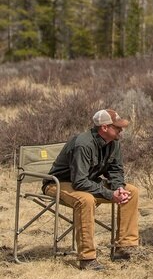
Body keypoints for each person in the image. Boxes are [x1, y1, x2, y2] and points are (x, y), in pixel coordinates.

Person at [43, 109, 140, 270]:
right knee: (85, 200)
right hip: (59, 183)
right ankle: (87, 258)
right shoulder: (83, 144)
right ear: (104, 127)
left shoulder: (113, 143)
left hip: (87, 182)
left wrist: (118, 188)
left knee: (131, 191)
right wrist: (110, 194)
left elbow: (116, 171)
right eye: (117, 127)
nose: (121, 130)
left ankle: (125, 247)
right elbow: (79, 181)